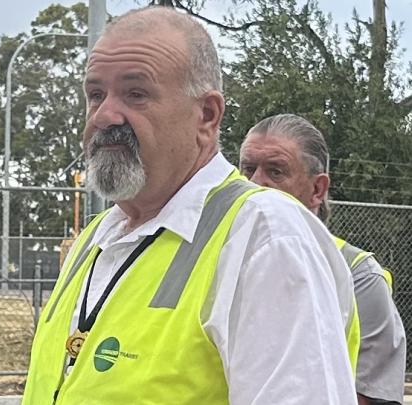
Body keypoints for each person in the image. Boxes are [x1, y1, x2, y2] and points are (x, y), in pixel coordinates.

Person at [22, 7, 358, 404]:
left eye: (136, 93)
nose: (105, 115)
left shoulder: (264, 236)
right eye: (95, 95)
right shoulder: (96, 240)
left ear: (207, 115)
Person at [239, 113, 406, 405]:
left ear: (317, 189)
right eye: (248, 169)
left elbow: (367, 395)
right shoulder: (220, 258)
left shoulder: (360, 277)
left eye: (275, 171)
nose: (255, 183)